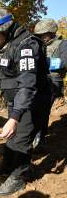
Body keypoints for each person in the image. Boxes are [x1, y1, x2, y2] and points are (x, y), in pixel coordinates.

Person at [0, 8, 51, 196]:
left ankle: (18, 176)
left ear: (4, 29)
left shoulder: (27, 46)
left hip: (31, 100)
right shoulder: (0, 47)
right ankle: (7, 164)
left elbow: (28, 86)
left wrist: (14, 117)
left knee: (21, 138)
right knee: (10, 137)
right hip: (14, 100)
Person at [32, 19, 67, 149]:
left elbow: (64, 63)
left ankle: (39, 139)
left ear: (52, 32)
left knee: (42, 108)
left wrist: (44, 62)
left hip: (53, 81)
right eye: (39, 35)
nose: (41, 37)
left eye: (44, 34)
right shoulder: (38, 45)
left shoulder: (62, 44)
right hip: (36, 80)